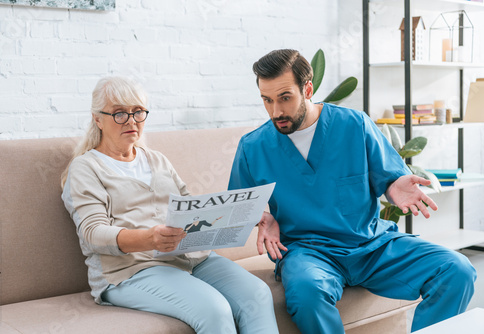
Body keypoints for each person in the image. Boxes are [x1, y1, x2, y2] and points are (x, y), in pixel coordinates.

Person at [228, 49, 477, 334]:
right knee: (307, 295)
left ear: (307, 89)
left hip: (372, 244)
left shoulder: (354, 125)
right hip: (309, 252)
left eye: (285, 98)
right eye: (267, 100)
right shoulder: (253, 147)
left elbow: (391, 177)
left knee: (457, 270)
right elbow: (238, 205)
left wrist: (395, 184)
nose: (276, 112)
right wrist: (262, 217)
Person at [61, 76, 279, 334]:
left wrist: (242, 214)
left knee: (259, 295)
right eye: (120, 114)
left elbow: (191, 208)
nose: (131, 121)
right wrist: (149, 239)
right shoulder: (86, 168)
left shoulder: (156, 160)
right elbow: (92, 234)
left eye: (138, 112)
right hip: (132, 270)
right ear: (97, 118)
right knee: (215, 310)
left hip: (191, 259)